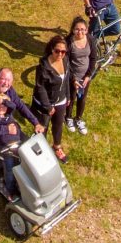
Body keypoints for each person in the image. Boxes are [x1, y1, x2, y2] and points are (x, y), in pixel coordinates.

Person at [0, 67, 44, 200]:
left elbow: (20, 106)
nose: (6, 83)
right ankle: (9, 188)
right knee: (9, 162)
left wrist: (36, 123)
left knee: (29, 149)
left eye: (9, 80)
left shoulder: (8, 90)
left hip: (10, 129)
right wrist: (6, 130)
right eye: (3, 79)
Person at [32, 35, 72, 163]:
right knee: (42, 128)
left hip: (61, 100)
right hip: (45, 103)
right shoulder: (43, 66)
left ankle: (57, 147)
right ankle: (41, 153)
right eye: (57, 51)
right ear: (51, 49)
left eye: (63, 51)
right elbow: (40, 88)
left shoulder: (65, 60)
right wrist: (48, 106)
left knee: (58, 125)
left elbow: (66, 79)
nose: (60, 54)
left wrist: (68, 96)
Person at [65, 17, 96, 135]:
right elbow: (66, 63)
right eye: (77, 29)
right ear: (73, 30)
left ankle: (78, 118)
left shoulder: (91, 40)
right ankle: (68, 118)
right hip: (72, 76)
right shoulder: (68, 42)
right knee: (71, 98)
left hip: (85, 77)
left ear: (87, 30)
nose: (80, 32)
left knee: (82, 99)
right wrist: (73, 79)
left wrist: (88, 76)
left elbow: (93, 59)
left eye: (83, 29)